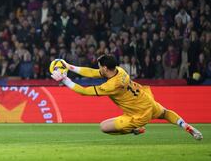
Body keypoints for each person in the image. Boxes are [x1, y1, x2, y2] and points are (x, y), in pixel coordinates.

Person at [50, 54, 203, 140]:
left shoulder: (112, 85)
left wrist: (65, 80)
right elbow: (91, 72)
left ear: (104, 68)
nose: (98, 69)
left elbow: (85, 91)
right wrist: (69, 66)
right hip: (146, 100)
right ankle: (187, 126)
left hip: (139, 114)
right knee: (165, 112)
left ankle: (136, 129)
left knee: (104, 127)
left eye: (99, 67)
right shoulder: (119, 70)